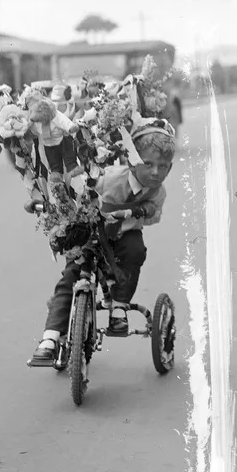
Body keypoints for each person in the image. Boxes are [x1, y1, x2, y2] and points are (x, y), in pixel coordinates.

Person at [29, 124, 176, 361]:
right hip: (91, 236)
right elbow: (75, 191)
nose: (155, 173)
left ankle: (119, 307)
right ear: (131, 160)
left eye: (163, 167)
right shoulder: (108, 179)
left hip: (124, 236)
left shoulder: (157, 192)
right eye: (148, 164)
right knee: (72, 276)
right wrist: (50, 202)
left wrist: (143, 211)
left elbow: (152, 217)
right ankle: (50, 337)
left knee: (135, 250)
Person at [28, 98, 82, 180]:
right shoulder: (37, 122)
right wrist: (30, 127)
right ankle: (56, 172)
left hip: (62, 140)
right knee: (53, 160)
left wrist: (70, 127)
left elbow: (63, 121)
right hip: (49, 144)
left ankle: (72, 166)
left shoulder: (55, 116)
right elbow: (36, 132)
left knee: (68, 153)